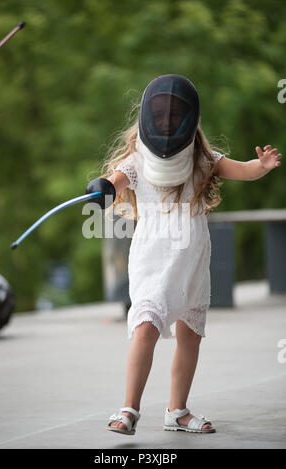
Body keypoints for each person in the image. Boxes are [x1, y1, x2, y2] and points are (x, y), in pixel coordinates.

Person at [86, 74, 282, 435]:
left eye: (173, 118)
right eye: (160, 117)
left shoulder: (202, 158)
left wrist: (263, 167)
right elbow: (113, 184)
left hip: (192, 259)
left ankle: (177, 411)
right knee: (146, 326)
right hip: (153, 257)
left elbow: (242, 169)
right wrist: (100, 190)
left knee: (189, 334)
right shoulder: (136, 161)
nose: (166, 124)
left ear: (188, 122)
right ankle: (129, 408)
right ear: (149, 119)